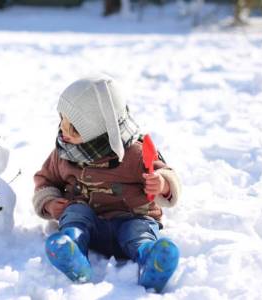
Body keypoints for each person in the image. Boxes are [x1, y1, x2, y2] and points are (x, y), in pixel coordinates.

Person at [32, 74, 181, 293]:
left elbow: (165, 173)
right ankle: (71, 248)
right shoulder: (63, 153)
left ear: (100, 130)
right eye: (62, 120)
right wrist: (49, 203)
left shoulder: (135, 153)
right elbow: (46, 179)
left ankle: (151, 259)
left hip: (131, 218)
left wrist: (162, 185)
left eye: (73, 128)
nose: (64, 131)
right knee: (75, 212)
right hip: (88, 225)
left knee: (138, 232)